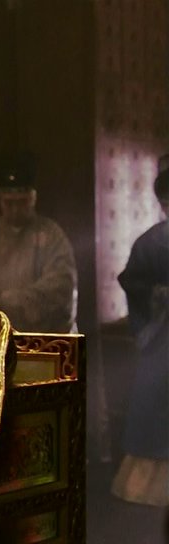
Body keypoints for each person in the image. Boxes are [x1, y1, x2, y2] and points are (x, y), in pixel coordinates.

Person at [0, 153, 77, 332]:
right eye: (9, 203)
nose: (15, 210)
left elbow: (60, 283)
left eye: (22, 202)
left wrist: (19, 302)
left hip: (40, 337)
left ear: (33, 198)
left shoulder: (51, 235)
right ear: (0, 200)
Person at [111, 169, 169, 506]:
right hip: (162, 335)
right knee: (156, 400)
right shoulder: (150, 242)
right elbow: (132, 280)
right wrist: (157, 295)